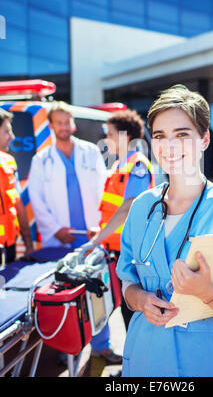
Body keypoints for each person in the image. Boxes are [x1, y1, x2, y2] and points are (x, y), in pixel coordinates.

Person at [116, 85, 213, 377]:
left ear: (204, 140)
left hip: (208, 364)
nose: (169, 146)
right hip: (146, 360)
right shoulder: (141, 209)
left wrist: (209, 293)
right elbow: (127, 283)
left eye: (182, 134)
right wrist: (141, 300)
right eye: (160, 136)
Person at [28, 101, 121, 364]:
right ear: (51, 126)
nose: (63, 127)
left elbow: (105, 190)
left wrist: (101, 226)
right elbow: (36, 199)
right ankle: (71, 346)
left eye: (67, 122)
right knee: (67, 295)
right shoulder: (41, 160)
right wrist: (56, 230)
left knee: (98, 291)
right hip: (61, 238)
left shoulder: (90, 152)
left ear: (73, 123)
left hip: (91, 236)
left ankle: (103, 346)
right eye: (58, 122)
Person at [87, 109, 155, 358]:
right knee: (124, 307)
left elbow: (128, 207)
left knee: (132, 311)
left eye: (111, 134)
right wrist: (101, 232)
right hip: (117, 249)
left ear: (125, 136)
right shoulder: (121, 164)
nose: (107, 139)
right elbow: (116, 207)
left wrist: (98, 237)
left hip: (130, 251)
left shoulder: (136, 164)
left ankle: (138, 366)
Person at [0, 108, 33, 263]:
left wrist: (28, 243)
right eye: (7, 132)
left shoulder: (9, 162)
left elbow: (18, 203)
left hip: (9, 246)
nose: (12, 137)